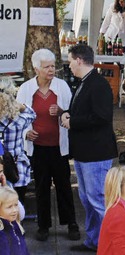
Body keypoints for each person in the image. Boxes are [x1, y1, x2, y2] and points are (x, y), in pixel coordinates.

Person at [16, 49, 79, 242]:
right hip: (38, 147)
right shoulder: (26, 89)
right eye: (47, 67)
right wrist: (25, 133)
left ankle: (71, 224)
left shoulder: (62, 86)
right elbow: (17, 118)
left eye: (53, 66)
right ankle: (43, 226)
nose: (51, 70)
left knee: (63, 186)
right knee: (42, 187)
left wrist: (60, 112)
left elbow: (71, 113)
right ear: (36, 69)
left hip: (59, 146)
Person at [61, 44, 118, 252]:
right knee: (87, 199)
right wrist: (68, 114)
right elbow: (84, 110)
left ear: (78, 60)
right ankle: (94, 240)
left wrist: (73, 121)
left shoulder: (98, 84)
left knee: (98, 199)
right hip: (86, 152)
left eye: (70, 61)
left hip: (96, 153)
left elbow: (102, 117)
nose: (69, 66)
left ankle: (111, 244)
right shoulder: (87, 82)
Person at [0, 78, 36, 213]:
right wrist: (19, 105)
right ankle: (16, 230)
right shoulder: (18, 121)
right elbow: (32, 113)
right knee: (16, 207)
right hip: (16, 169)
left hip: (0, 168)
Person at [99, 0, 125, 81]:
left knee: (122, 64)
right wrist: (101, 34)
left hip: (124, 40)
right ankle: (107, 82)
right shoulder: (112, 7)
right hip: (110, 38)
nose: (121, 3)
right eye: (119, 1)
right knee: (107, 63)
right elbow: (106, 21)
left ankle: (122, 84)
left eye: (123, 1)